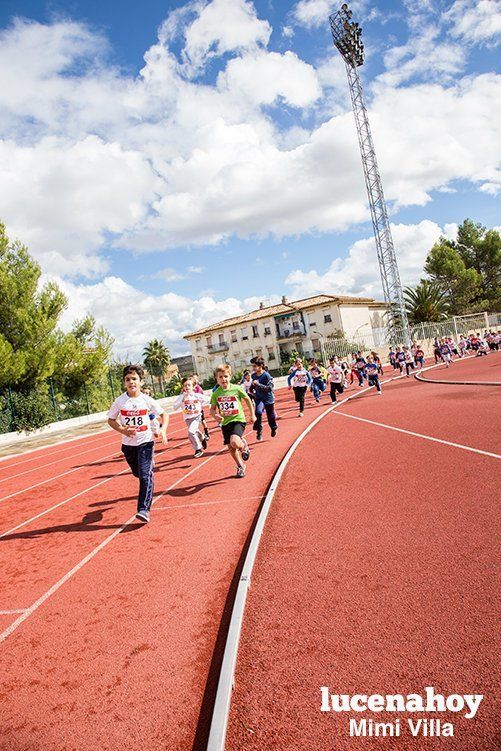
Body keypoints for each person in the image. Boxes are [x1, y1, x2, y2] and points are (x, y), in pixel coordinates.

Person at [107, 364, 167, 523]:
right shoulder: (120, 401)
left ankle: (143, 509)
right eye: (127, 379)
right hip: (128, 446)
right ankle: (145, 474)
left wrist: (164, 430)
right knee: (138, 473)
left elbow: (163, 414)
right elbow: (111, 420)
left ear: (141, 381)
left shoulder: (147, 400)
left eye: (134, 379)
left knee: (146, 476)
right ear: (124, 382)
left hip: (145, 443)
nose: (131, 382)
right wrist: (123, 430)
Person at [210, 363, 255, 478]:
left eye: (225, 376)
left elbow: (247, 400)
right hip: (225, 423)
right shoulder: (216, 393)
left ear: (230, 376)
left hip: (238, 420)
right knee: (231, 447)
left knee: (234, 441)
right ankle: (240, 466)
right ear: (216, 379)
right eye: (220, 377)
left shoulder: (237, 388)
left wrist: (252, 414)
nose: (223, 379)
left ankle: (243, 446)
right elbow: (212, 409)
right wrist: (215, 416)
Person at [172, 377, 209, 458]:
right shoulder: (181, 397)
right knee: (194, 431)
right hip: (187, 418)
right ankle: (202, 438)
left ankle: (198, 449)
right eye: (185, 385)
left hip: (196, 417)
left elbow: (208, 399)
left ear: (193, 387)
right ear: (183, 387)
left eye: (189, 385)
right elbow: (174, 407)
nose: (187, 387)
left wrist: (205, 404)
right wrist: (182, 401)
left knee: (191, 432)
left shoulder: (197, 395)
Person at [251, 357, 277, 440]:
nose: (253, 368)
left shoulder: (266, 375)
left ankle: (273, 428)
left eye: (255, 366)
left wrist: (258, 385)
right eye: (252, 366)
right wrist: (251, 389)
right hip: (259, 398)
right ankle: (259, 431)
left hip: (268, 399)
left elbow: (269, 388)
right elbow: (253, 385)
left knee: (270, 417)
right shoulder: (253, 375)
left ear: (261, 365)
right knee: (258, 412)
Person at [192, 374, 210, 441]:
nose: (194, 380)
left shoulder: (199, 388)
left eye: (195, 378)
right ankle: (198, 435)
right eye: (192, 378)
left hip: (199, 409)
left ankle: (206, 433)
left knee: (202, 421)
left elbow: (201, 397)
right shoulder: (189, 388)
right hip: (192, 410)